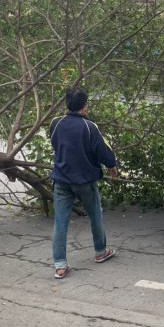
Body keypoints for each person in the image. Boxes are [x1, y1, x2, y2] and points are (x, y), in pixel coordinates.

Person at [49, 86, 118, 279]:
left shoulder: (56, 123)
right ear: (85, 106)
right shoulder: (89, 127)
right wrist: (112, 165)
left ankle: (60, 265)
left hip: (61, 179)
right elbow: (102, 151)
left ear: (67, 104)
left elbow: (55, 144)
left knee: (60, 221)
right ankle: (100, 252)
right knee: (95, 214)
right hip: (85, 180)